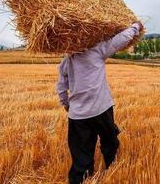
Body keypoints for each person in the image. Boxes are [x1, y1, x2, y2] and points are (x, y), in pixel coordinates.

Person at [56, 22, 144, 184]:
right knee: (110, 142)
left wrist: (66, 104)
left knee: (81, 154)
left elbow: (61, 87)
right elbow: (120, 39)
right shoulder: (97, 50)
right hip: (101, 109)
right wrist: (135, 27)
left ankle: (81, 180)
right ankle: (113, 172)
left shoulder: (66, 61)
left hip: (78, 116)